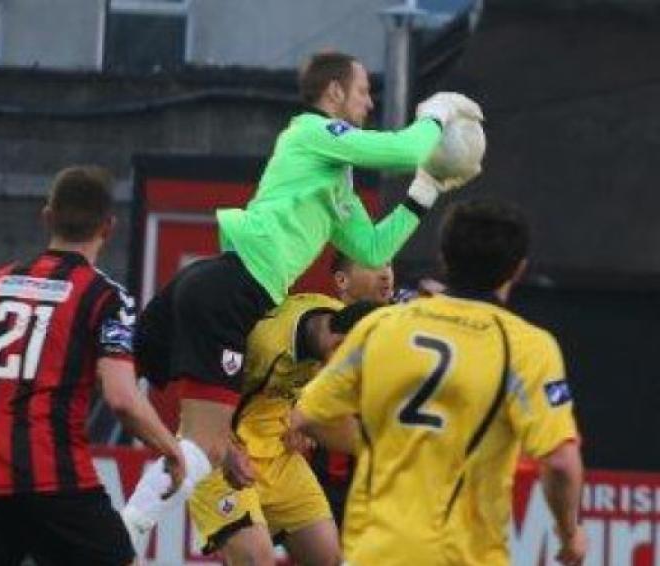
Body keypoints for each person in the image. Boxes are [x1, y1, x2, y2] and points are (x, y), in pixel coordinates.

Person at [122, 50, 483, 553]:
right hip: (228, 289)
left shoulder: (336, 181)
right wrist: (436, 114)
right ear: (333, 93)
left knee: (173, 421)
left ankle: (123, 524)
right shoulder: (311, 132)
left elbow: (374, 250)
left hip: (219, 287)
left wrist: (425, 189)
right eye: (362, 91)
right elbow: (400, 150)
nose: (369, 101)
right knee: (201, 441)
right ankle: (127, 529)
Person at [290, 199, 587, 566]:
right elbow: (560, 461)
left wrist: (379, 446)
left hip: (375, 552)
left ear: (444, 259)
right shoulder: (527, 347)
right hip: (462, 555)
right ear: (518, 269)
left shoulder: (380, 327)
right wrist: (569, 533)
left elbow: (305, 415)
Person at [0, 166, 184, 566]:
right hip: (60, 487)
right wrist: (170, 447)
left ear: (47, 216)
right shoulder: (105, 298)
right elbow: (122, 399)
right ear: (108, 227)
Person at [188, 296, 381, 566]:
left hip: (278, 453)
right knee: (256, 559)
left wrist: (298, 417)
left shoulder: (346, 322)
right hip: (222, 450)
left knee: (327, 557)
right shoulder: (264, 344)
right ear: (337, 345)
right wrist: (225, 448)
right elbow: (200, 401)